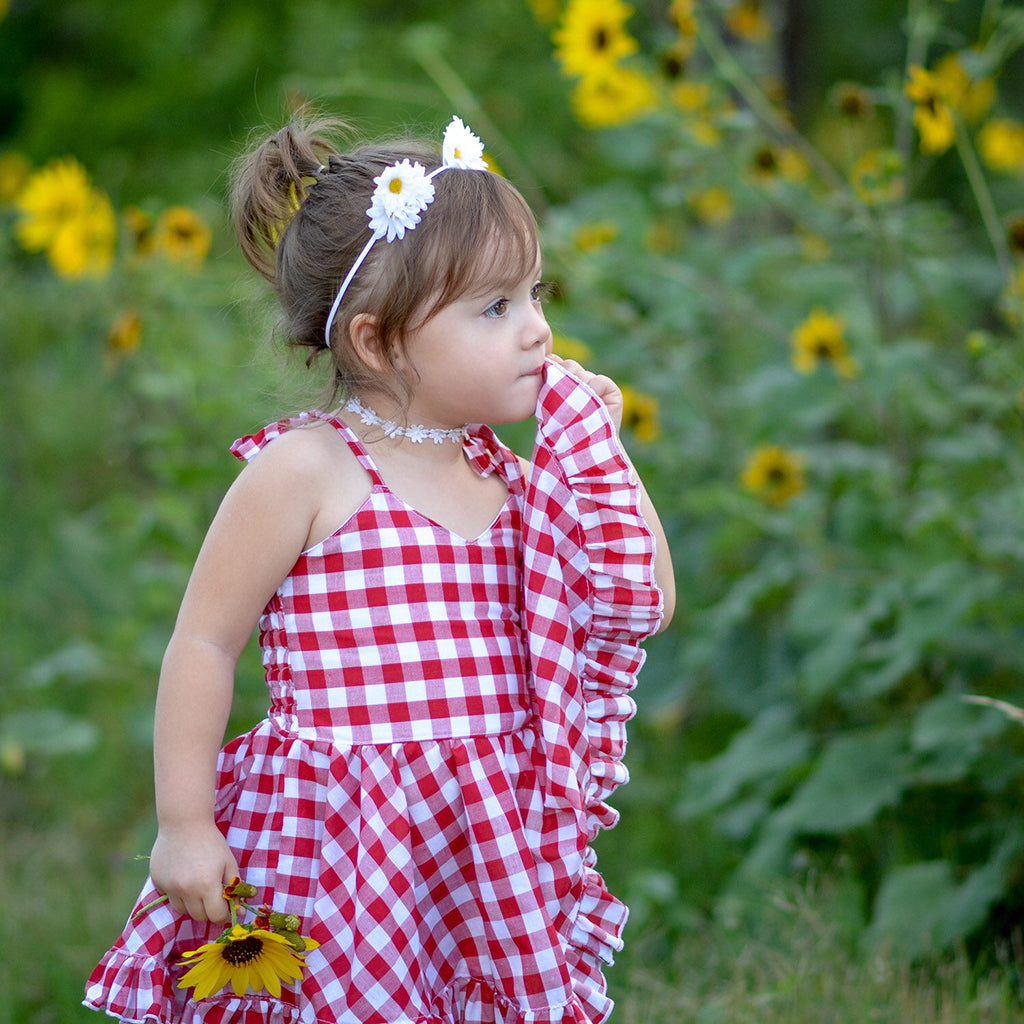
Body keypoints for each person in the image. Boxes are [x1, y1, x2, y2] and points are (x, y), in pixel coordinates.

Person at [84, 113, 675, 1024]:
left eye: (534, 294)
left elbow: (643, 603)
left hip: (478, 842)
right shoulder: (307, 472)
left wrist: (604, 455)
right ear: (378, 342)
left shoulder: (517, 482)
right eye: (495, 308)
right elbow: (204, 642)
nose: (538, 332)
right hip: (342, 842)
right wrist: (185, 824)